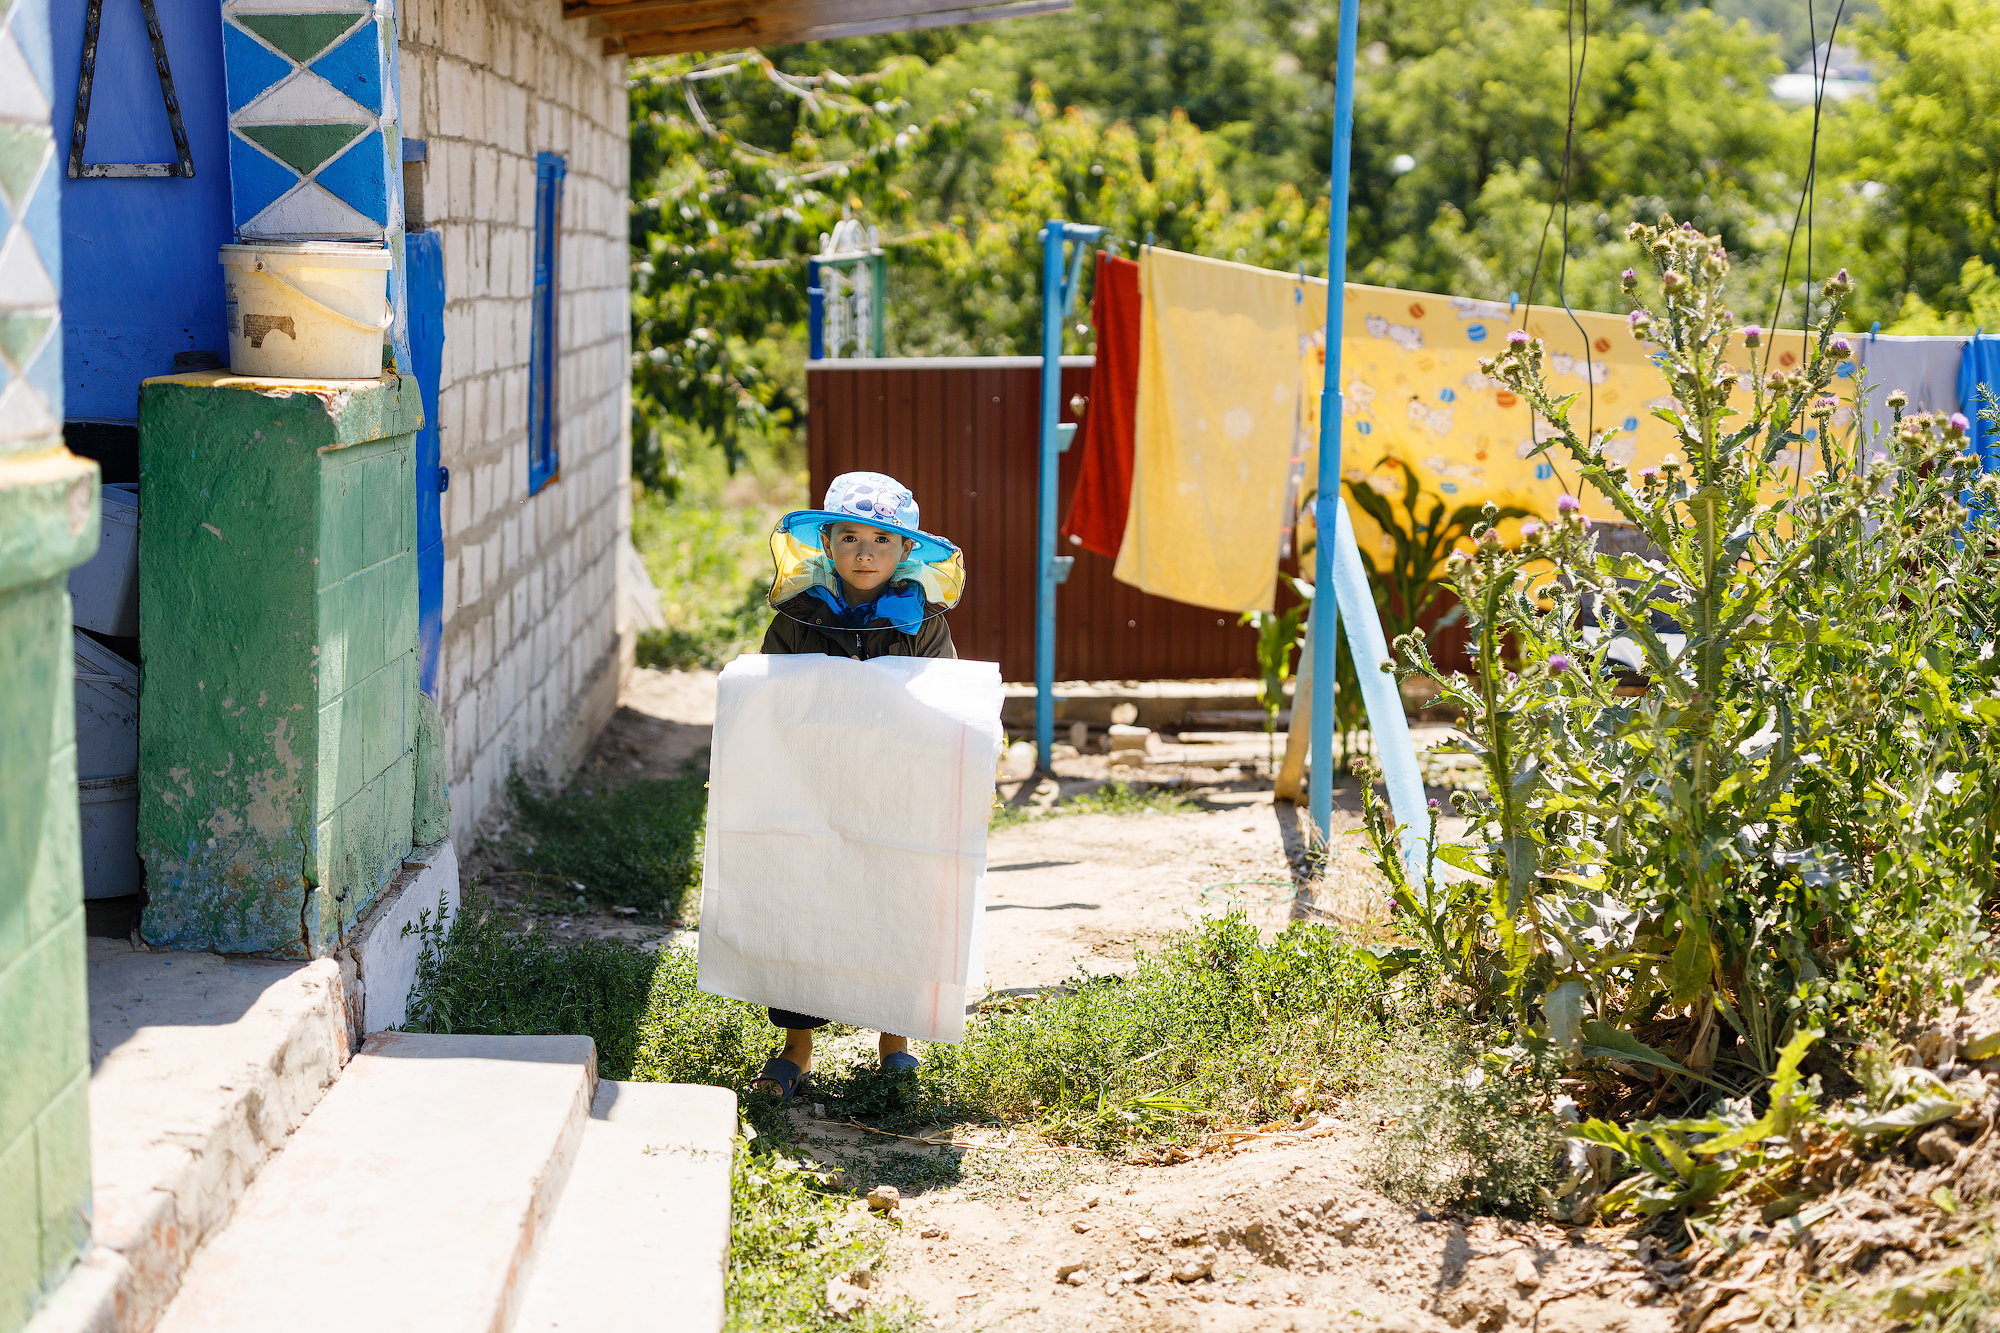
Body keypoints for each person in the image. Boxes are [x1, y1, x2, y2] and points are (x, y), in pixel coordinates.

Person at [746, 471, 966, 1101]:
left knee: (895, 899)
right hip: (810, 784)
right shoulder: (798, 617)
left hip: (894, 788)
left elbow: (941, 697)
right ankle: (796, 1049)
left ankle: (895, 1043)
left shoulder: (921, 621)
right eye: (849, 538)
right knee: (805, 903)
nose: (864, 553)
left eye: (881, 540)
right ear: (827, 546)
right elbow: (769, 696)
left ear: (904, 553)